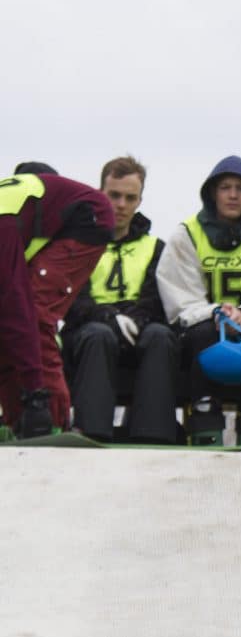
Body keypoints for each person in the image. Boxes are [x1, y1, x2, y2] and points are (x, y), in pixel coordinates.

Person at [157, 155, 241, 446]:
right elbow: (180, 295)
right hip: (204, 322)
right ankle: (205, 431)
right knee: (206, 337)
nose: (232, 195)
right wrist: (216, 312)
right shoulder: (186, 234)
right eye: (225, 187)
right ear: (212, 192)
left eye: (240, 188)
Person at [61, 155, 178, 444]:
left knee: (161, 336)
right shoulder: (78, 243)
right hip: (92, 328)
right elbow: (73, 299)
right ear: (100, 193)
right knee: (98, 336)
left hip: (138, 327)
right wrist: (108, 318)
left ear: (139, 200)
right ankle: (91, 433)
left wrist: (135, 319)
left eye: (130, 197)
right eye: (114, 195)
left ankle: (153, 436)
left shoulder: (156, 247)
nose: (121, 205)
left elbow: (157, 298)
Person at [0, 164, 114, 438]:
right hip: (50, 218)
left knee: (34, 316)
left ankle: (52, 419)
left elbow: (18, 309)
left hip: (90, 218)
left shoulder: (2, 234)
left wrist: (35, 391)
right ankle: (19, 423)